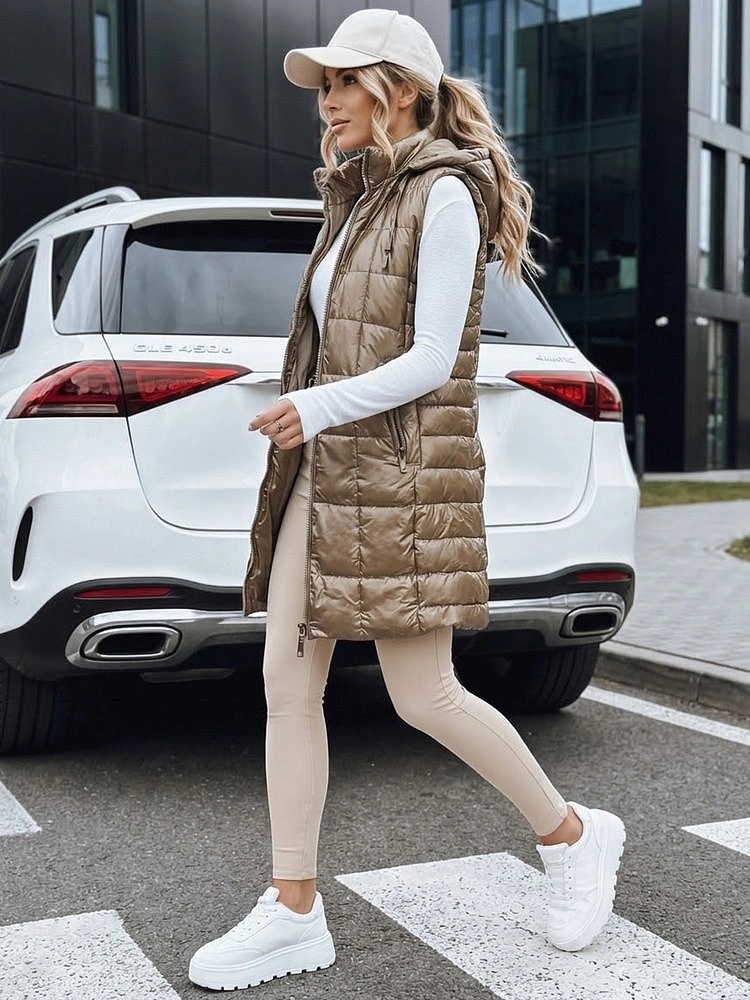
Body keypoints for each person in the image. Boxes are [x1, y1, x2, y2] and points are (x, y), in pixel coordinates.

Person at [188, 8, 625, 992]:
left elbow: (434, 359)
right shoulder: (355, 197)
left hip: (400, 482)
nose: (328, 102)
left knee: (422, 694)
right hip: (323, 475)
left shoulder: (445, 193)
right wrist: (310, 416)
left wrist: (312, 405)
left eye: (346, 81)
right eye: (324, 85)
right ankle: (293, 907)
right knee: (286, 683)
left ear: (402, 89)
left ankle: (572, 836)